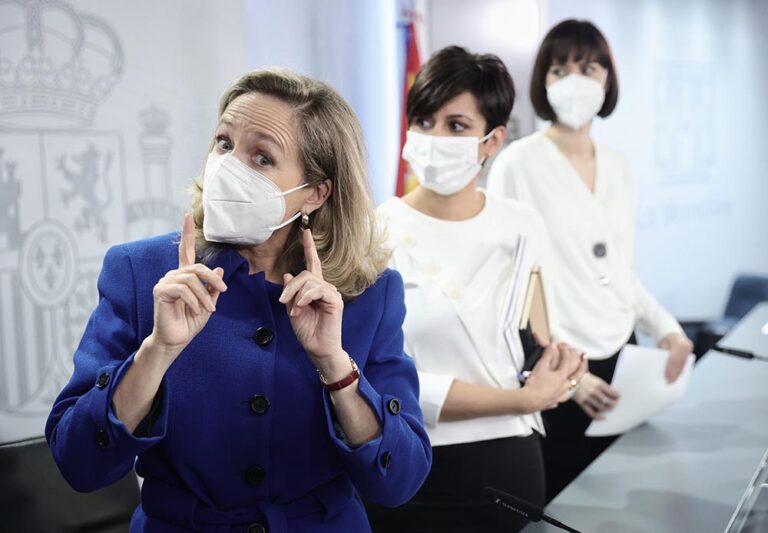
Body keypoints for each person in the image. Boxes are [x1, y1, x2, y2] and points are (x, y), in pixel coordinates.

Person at [45, 68, 432, 533]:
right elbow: (78, 465)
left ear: (315, 193)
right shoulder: (141, 272)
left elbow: (400, 483)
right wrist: (156, 353)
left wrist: (335, 365)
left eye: (262, 157)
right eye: (224, 144)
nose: (228, 167)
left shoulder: (368, 292)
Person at [366, 46, 587, 533]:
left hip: (507, 468)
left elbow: (537, 342)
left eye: (457, 125)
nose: (434, 137)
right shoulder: (374, 232)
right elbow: (380, 381)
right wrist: (521, 400)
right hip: (407, 464)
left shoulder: (522, 225)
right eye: (424, 121)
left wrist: (563, 366)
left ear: (492, 140)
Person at [487, 19, 694, 501]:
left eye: (589, 66)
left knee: (628, 497)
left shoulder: (620, 168)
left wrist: (667, 327)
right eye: (560, 69)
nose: (575, 80)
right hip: (557, 365)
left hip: (622, 352)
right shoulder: (519, 163)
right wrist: (567, 377)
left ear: (608, 78)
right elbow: (509, 291)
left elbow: (620, 270)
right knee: (568, 501)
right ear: (543, 81)